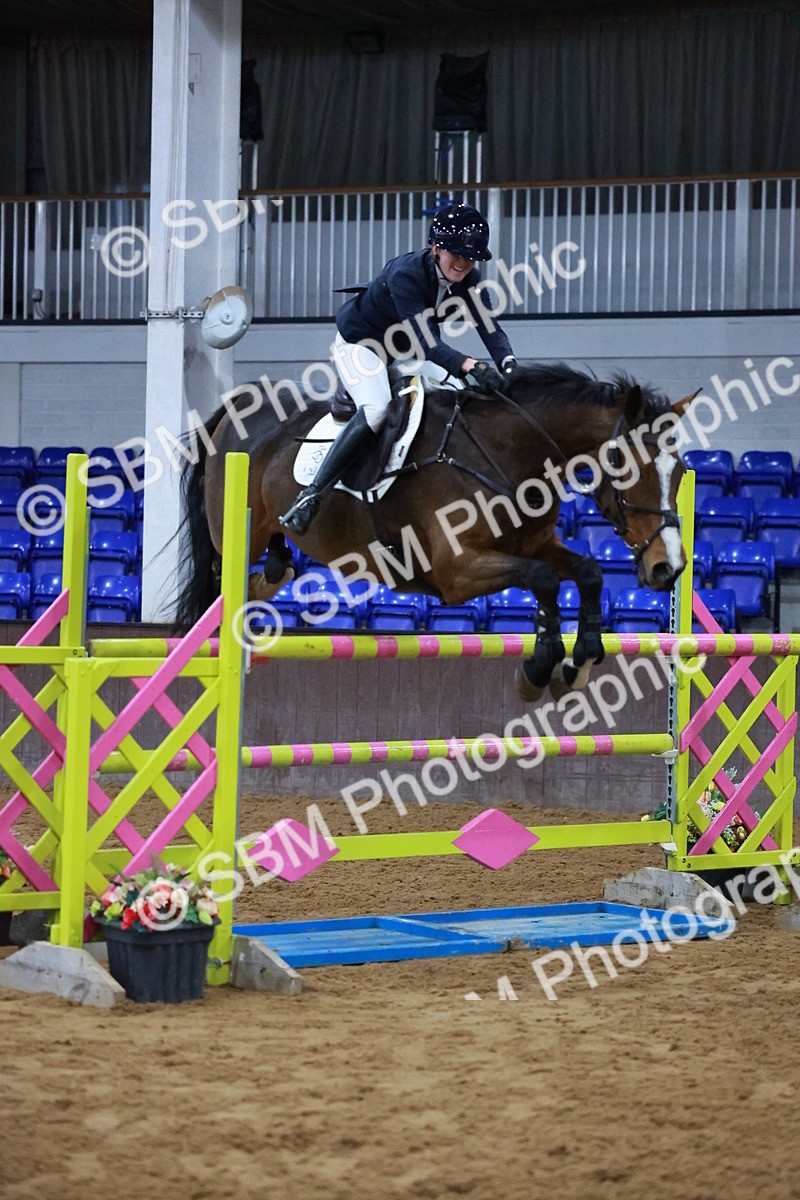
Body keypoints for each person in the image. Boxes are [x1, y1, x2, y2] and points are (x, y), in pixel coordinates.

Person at [279, 201, 518, 535]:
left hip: (405, 351)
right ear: (435, 247)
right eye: (456, 254)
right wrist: (470, 364)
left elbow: (490, 328)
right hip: (363, 344)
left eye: (470, 257)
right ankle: (311, 496)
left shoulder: (469, 278)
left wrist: (509, 366)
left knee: (460, 392)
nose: (463, 263)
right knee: (376, 409)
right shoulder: (406, 274)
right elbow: (430, 343)